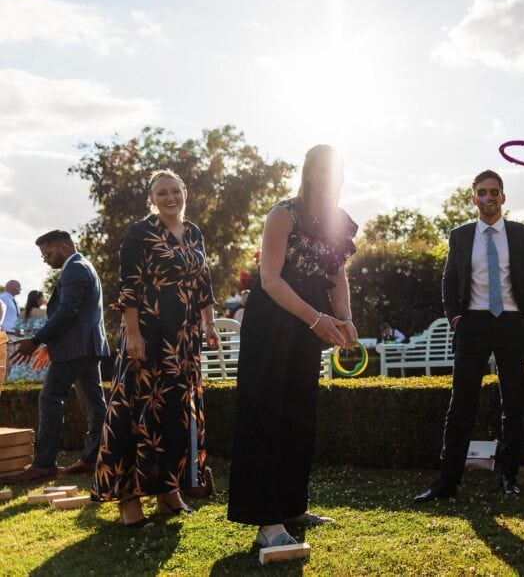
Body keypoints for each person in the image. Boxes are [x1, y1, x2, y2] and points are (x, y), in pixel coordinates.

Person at [228, 144, 359, 549]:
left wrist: (346, 317)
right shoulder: (284, 214)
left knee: (300, 413)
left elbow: (337, 275)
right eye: (323, 170)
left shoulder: (339, 220)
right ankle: (266, 521)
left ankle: (292, 505)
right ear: (309, 173)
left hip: (309, 324)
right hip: (272, 321)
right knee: (264, 416)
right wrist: (317, 319)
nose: (330, 177)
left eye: (337, 170)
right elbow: (269, 280)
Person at [91, 170, 219, 527]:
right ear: (151, 198)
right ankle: (128, 500)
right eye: (161, 193)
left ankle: (169, 492)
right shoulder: (138, 233)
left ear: (185, 193)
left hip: (184, 338)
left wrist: (209, 325)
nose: (169, 198)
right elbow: (129, 287)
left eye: (174, 191)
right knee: (136, 410)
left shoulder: (194, 232)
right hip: (148, 333)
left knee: (178, 412)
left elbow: (203, 283)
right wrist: (132, 334)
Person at [414, 169, 524, 503]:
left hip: (512, 324)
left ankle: (509, 478)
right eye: (482, 193)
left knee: (514, 401)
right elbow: (449, 281)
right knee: (461, 404)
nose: (488, 198)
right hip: (472, 324)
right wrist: (456, 317)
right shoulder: (460, 236)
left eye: (494, 192)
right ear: (473, 198)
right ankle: (446, 483)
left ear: (503, 197)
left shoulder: (521, 234)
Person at [0, 231, 109, 485]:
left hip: (76, 348)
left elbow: (67, 311)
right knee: (95, 403)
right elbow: (76, 312)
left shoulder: (75, 269)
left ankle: (44, 464)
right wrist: (48, 345)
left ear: (63, 246)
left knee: (50, 398)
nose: (46, 260)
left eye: (48, 254)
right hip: (86, 347)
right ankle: (94, 457)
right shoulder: (82, 266)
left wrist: (37, 340)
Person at [8, 291, 50, 382]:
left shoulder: (23, 313)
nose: (44, 299)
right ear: (38, 299)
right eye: (43, 297)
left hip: (26, 345)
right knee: (40, 367)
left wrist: (27, 335)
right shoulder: (45, 312)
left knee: (23, 365)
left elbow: (17, 332)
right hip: (40, 344)